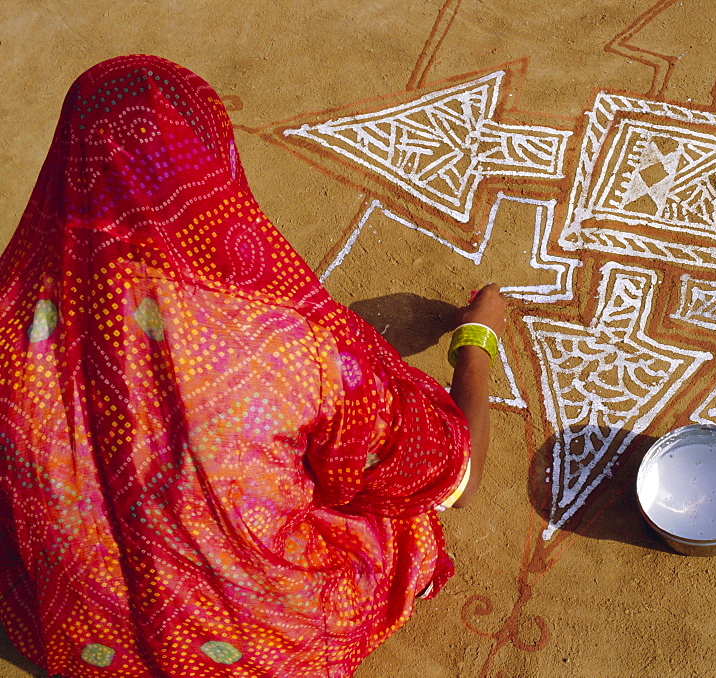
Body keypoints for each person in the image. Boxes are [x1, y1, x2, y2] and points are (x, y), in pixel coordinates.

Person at [0, 54, 506, 677]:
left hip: (85, 629)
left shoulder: (10, 313)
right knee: (402, 521)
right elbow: (461, 473)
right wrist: (478, 340)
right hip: (247, 640)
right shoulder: (287, 346)